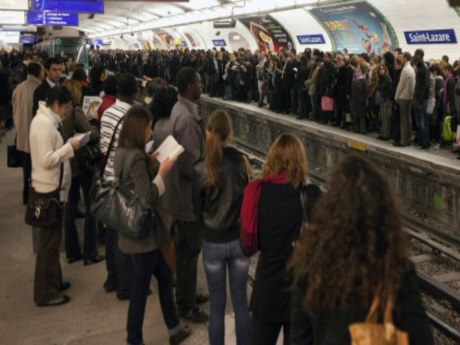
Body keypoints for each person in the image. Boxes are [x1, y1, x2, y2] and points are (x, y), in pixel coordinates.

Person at [289, 155, 434, 345]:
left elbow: (299, 339)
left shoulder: (311, 266)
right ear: (384, 212)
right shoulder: (396, 271)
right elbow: (421, 339)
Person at [114, 105, 191, 345]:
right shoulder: (136, 157)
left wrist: (153, 162)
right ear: (140, 129)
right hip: (143, 236)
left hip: (141, 234)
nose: (150, 131)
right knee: (140, 290)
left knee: (166, 278)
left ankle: (174, 328)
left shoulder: (123, 151)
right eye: (148, 127)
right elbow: (146, 195)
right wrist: (163, 171)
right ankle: (133, 339)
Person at [248, 134, 321, 345]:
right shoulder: (311, 195)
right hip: (300, 292)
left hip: (267, 289)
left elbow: (247, 245)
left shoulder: (258, 192)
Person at [193, 110, 253, 345]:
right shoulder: (241, 162)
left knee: (217, 305)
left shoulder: (201, 167)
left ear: (209, 133)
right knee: (241, 303)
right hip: (238, 240)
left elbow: (196, 208)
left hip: (212, 242)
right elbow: (249, 200)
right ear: (230, 133)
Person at [161, 67, 209, 323]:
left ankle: (187, 293)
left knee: (187, 250)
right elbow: (190, 165)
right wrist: (212, 176)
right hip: (187, 198)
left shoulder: (179, 109)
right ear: (191, 86)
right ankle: (186, 306)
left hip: (179, 193)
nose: (202, 86)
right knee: (189, 251)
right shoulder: (189, 120)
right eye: (199, 83)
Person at [29, 86, 83, 306]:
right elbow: (46, 159)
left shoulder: (49, 122)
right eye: (66, 107)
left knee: (52, 241)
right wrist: (70, 147)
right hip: (48, 191)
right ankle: (46, 293)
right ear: (56, 105)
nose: (67, 112)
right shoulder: (42, 126)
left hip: (54, 188)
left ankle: (54, 281)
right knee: (48, 246)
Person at [100, 73, 138, 299]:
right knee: (125, 235)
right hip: (124, 181)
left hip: (107, 177)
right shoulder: (132, 115)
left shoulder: (107, 112)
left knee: (111, 232)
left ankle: (112, 277)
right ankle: (126, 286)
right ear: (134, 92)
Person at [61, 79, 104, 265]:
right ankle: (90, 251)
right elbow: (91, 134)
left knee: (70, 207)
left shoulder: (61, 114)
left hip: (68, 163)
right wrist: (93, 125)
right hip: (82, 165)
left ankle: (72, 251)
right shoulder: (76, 111)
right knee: (91, 206)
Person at [12, 62, 45, 205]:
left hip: (22, 136)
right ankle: (35, 199)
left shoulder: (18, 88)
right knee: (36, 171)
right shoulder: (39, 90)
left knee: (26, 170)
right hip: (35, 138)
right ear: (38, 73)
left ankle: (26, 196)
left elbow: (14, 110)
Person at [394, 52, 415, 147]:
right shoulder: (411, 69)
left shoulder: (405, 70)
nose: (400, 59)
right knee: (408, 119)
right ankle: (408, 139)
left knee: (403, 120)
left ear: (405, 58)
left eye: (402, 57)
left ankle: (403, 140)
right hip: (409, 97)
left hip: (403, 97)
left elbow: (400, 85)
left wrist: (396, 97)